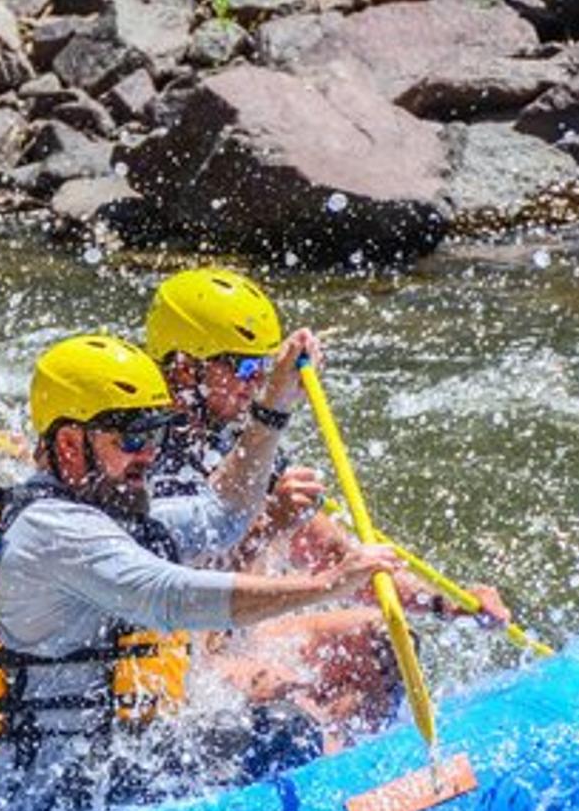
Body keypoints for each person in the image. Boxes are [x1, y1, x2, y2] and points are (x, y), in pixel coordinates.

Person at [0, 333, 408, 811]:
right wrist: (325, 586)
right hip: (49, 796)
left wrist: (272, 406)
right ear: (71, 444)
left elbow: (220, 513)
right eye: (133, 440)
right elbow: (172, 595)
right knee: (283, 732)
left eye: (156, 437)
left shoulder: (101, 512)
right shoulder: (52, 531)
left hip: (103, 766)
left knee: (270, 729)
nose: (151, 457)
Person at [145, 267, 510, 739]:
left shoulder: (246, 440)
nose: (255, 383)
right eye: (240, 367)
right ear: (182, 366)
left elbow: (340, 561)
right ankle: (320, 771)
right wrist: (270, 522)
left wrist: (447, 604)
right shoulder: (142, 452)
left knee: (383, 639)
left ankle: (356, 778)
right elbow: (181, 585)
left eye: (261, 367)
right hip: (184, 661)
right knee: (279, 690)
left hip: (246, 640)